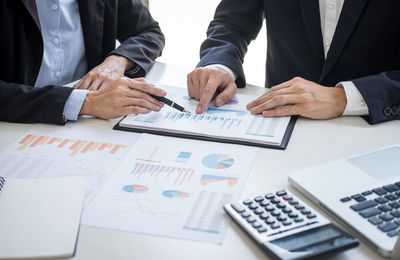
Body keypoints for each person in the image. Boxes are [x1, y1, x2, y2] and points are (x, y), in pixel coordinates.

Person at [187, 0, 400, 124]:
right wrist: (220, 65)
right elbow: (232, 22)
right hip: (278, 124)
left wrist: (344, 97)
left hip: (376, 131)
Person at [0, 0, 166, 125]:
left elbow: (149, 32)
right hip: (15, 126)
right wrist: (85, 102)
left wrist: (118, 60)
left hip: (87, 125)